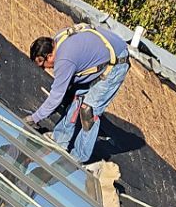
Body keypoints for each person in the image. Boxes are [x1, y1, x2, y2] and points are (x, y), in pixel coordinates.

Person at [26, 25, 130, 163]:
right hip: (101, 56)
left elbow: (55, 97)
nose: (46, 69)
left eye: (43, 65)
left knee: (88, 112)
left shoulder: (64, 60)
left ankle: (78, 157)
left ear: (50, 56)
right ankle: (60, 140)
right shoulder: (57, 41)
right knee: (75, 96)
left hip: (116, 62)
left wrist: (34, 118)